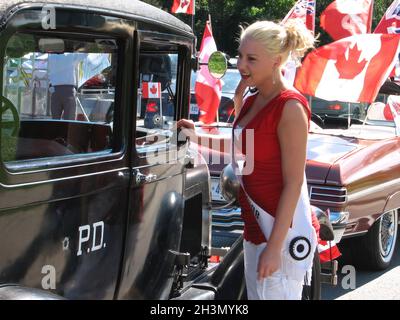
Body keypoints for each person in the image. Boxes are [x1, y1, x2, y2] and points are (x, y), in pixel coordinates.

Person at [178, 19, 317, 300]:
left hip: (280, 233)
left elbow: (293, 183)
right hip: (255, 228)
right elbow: (242, 146)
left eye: (251, 59)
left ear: (277, 60)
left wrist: (275, 248)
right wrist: (194, 137)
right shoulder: (256, 99)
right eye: (240, 55)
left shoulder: (290, 107)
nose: (241, 64)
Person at [48, 53, 87, 120]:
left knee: (55, 120)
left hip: (55, 90)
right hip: (69, 91)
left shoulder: (51, 56)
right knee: (69, 121)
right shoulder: (72, 55)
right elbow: (85, 53)